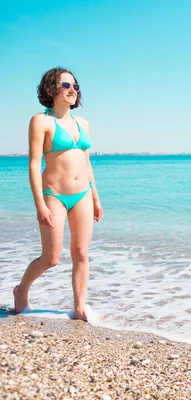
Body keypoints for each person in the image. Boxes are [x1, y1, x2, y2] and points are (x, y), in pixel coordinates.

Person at [13, 67, 103, 321]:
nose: (72, 90)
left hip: (83, 194)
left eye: (75, 86)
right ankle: (21, 290)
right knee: (51, 258)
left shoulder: (82, 123)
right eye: (66, 86)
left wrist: (96, 197)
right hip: (55, 195)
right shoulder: (41, 121)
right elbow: (33, 164)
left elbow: (87, 164)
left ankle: (79, 307)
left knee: (81, 253)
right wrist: (39, 204)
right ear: (52, 88)